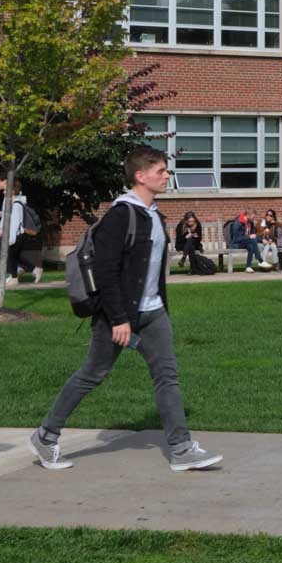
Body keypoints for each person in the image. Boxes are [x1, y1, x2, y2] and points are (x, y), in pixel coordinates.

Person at [29, 147, 221, 474]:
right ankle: (46, 435)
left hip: (154, 313)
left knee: (167, 376)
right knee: (93, 373)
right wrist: (118, 318)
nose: (166, 175)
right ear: (140, 175)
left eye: (166, 170)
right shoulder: (121, 215)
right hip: (118, 315)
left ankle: (181, 448)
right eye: (160, 171)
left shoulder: (155, 216)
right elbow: (106, 271)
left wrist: (157, 309)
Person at [0, 174, 41, 286]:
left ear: (12, 191)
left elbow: (14, 224)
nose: (4, 193)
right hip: (13, 235)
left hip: (15, 235)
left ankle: (14, 277)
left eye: (7, 191)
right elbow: (6, 216)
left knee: (9, 255)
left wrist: (10, 239)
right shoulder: (11, 201)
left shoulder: (16, 205)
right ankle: (32, 269)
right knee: (13, 256)